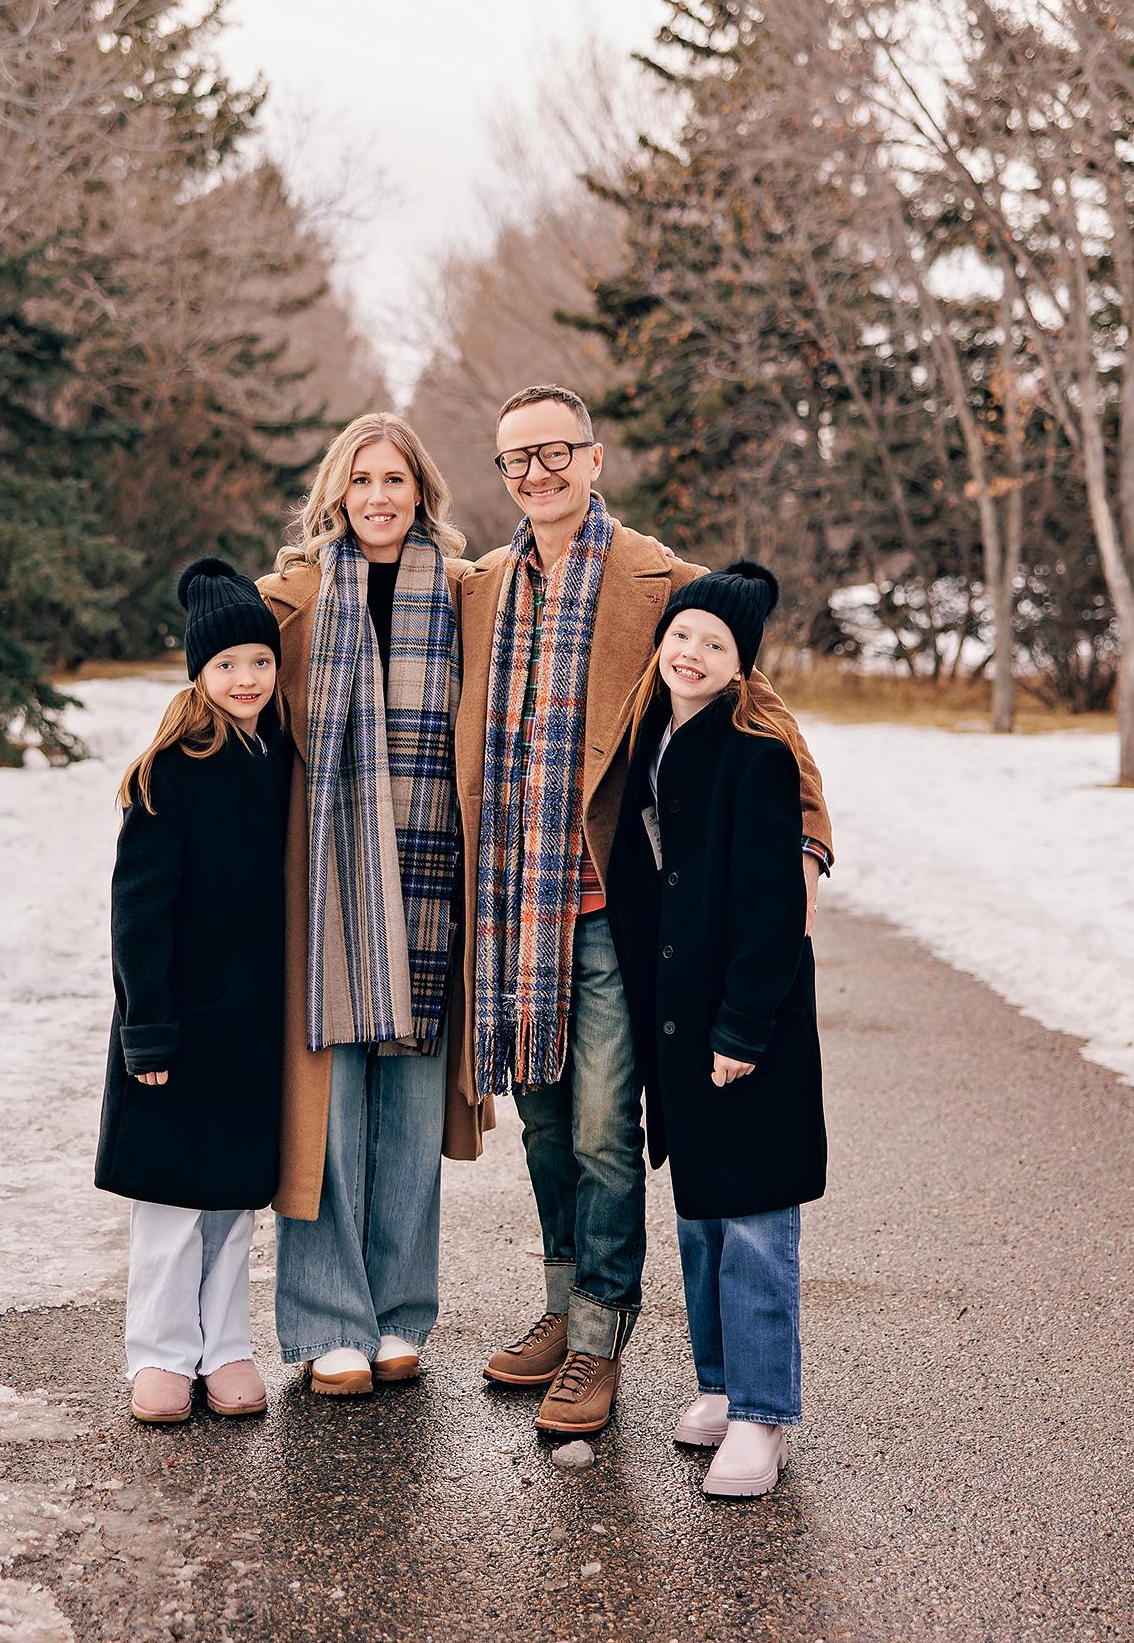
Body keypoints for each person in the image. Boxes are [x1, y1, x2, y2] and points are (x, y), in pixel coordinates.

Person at [455, 384, 833, 1438]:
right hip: (510, 912)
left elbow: (763, 710)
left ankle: (598, 1335)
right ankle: (560, 1296)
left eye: (554, 451)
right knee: (540, 1129)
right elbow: (360, 569)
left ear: (593, 456)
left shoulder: (655, 575)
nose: (536, 472)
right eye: (515, 458)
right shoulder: (480, 585)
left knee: (602, 1133)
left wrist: (807, 834)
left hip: (611, 910)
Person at [258, 416, 490, 1397]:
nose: (380, 496)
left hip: (434, 877)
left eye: (395, 477)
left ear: (421, 488)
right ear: (337, 494)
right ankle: (326, 1321)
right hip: (330, 886)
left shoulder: (470, 592)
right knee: (330, 1109)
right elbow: (218, 687)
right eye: (363, 481)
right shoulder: (291, 596)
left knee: (407, 1115)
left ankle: (398, 1313)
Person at [605, 561, 827, 1497]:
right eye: (682, 635)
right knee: (699, 1215)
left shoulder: (755, 755)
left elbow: (772, 912)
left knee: (754, 1221)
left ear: (743, 669)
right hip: (678, 1021)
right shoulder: (653, 741)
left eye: (715, 644)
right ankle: (718, 1384)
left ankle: (764, 1415)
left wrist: (741, 1027)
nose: (690, 653)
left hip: (746, 1029)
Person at [94, 558, 288, 1425]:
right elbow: (138, 917)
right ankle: (161, 1353)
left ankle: (227, 1347)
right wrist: (149, 1031)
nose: (245, 679)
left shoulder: (281, 757)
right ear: (199, 674)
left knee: (234, 1199)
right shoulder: (167, 773)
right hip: (177, 1020)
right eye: (226, 666)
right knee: (173, 1199)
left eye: (259, 661)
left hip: (251, 1024)